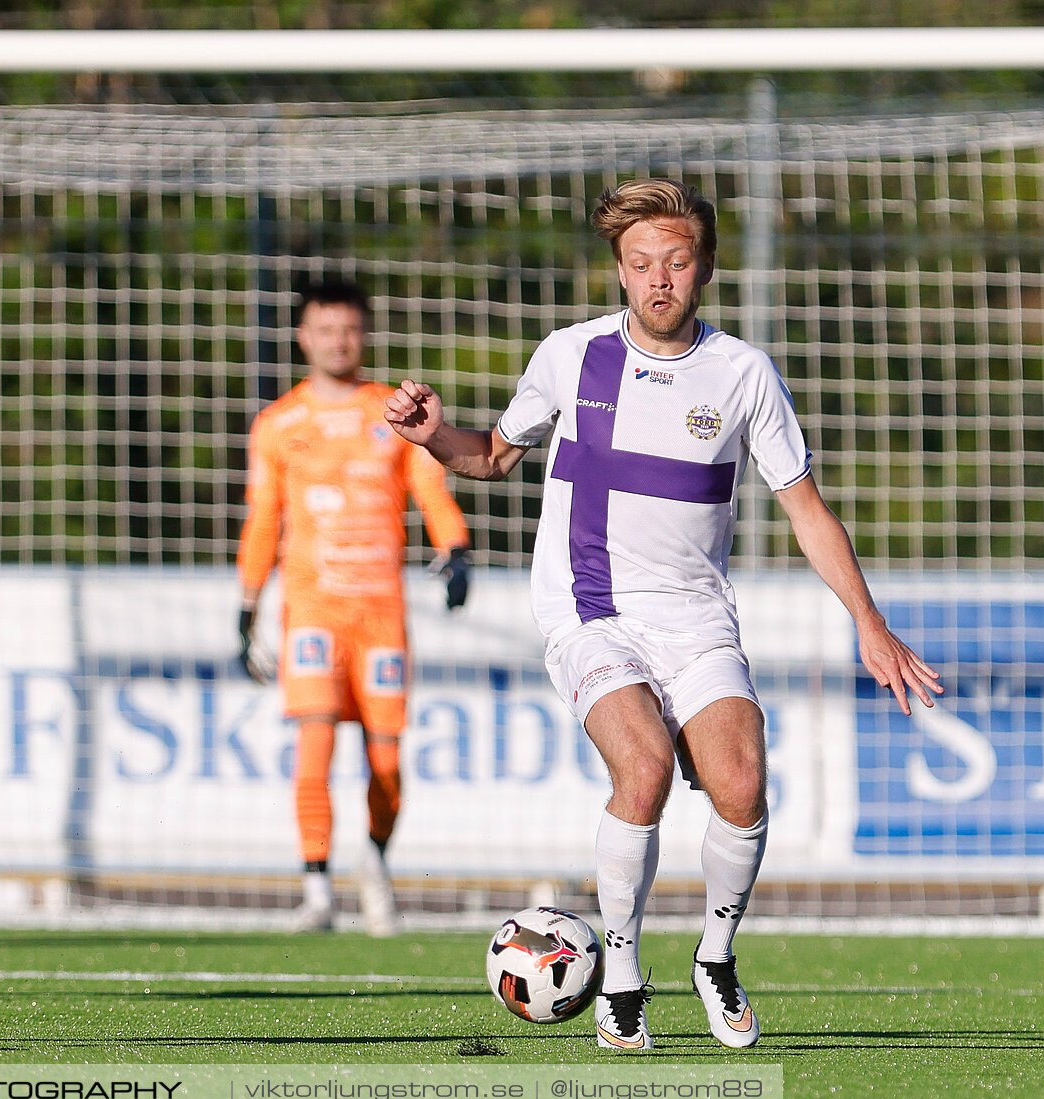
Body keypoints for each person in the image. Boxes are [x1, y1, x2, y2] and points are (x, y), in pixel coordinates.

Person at [385, 178, 942, 1050]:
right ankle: (624, 972)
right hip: (590, 608)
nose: (658, 279)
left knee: (744, 784)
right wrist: (432, 437)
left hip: (696, 616)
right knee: (641, 770)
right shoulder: (571, 356)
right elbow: (493, 456)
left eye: (676, 262)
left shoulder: (743, 373)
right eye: (640, 263)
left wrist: (869, 622)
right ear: (618, 271)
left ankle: (714, 958)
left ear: (705, 269)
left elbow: (804, 506)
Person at [236, 279, 471, 938]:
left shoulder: (390, 411)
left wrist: (454, 546)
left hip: (380, 613)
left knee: (387, 757)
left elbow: (430, 484)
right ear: (303, 337)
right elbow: (263, 519)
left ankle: (373, 864)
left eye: (349, 329)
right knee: (313, 743)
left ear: (363, 335)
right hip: (312, 611)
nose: (339, 341)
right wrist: (248, 603)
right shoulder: (279, 422)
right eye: (325, 329)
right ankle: (316, 888)